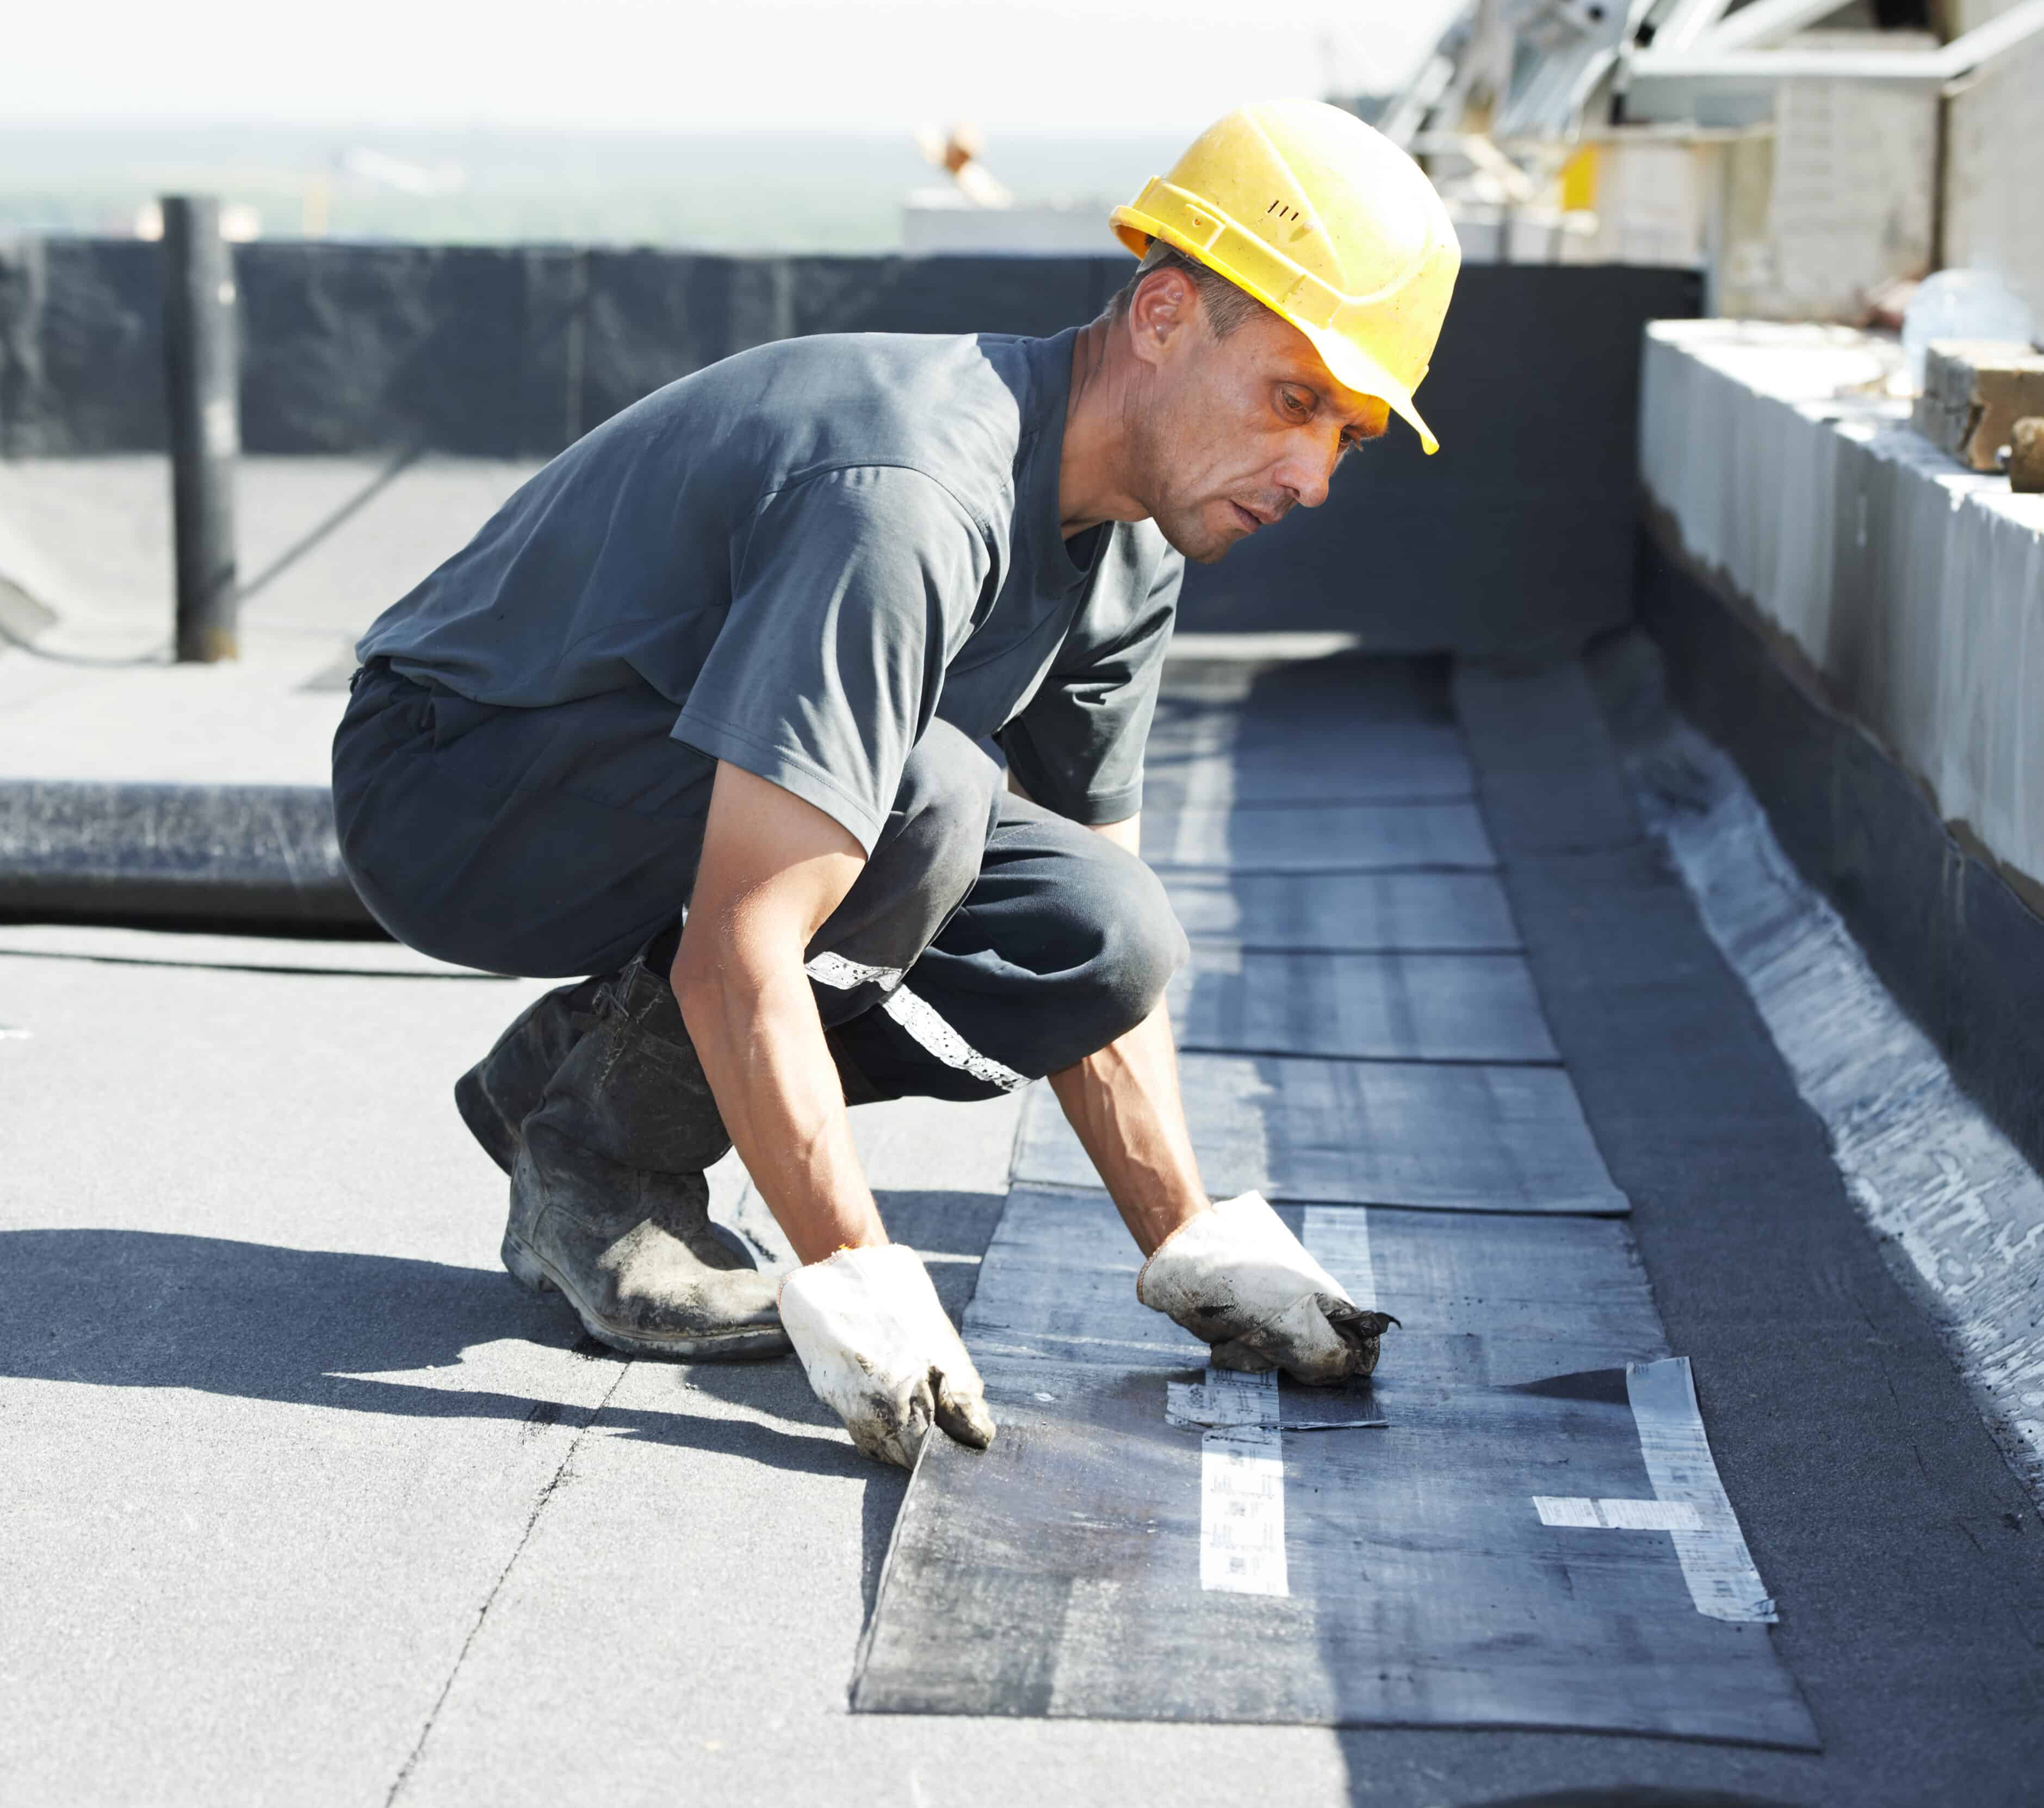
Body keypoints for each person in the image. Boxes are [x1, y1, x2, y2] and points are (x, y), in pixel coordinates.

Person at [331, 100, 1460, 1468]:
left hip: (661, 795)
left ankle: (572, 1082)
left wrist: (1191, 1239)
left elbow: (1092, 909)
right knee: (923, 801)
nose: (1314, 476)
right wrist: (854, 1270)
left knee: (1102, 934)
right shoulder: (913, 495)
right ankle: (600, 1178)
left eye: (1348, 434)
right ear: (1163, 316)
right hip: (461, 779)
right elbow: (748, 937)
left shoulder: (1133, 541)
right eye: (1296, 401)